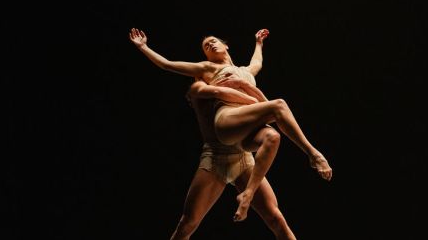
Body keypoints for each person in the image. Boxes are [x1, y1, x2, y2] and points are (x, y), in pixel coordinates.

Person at [134, 76, 326, 240]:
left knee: (275, 217)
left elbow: (270, 111)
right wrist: (241, 90)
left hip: (243, 158)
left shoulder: (233, 84)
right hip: (214, 160)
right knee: (187, 223)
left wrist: (246, 86)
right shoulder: (199, 87)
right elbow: (219, 92)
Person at [128, 28, 332, 221]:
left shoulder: (246, 71)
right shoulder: (208, 68)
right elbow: (167, 64)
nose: (210, 45)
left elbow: (257, 62)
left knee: (273, 133)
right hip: (229, 118)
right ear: (206, 56)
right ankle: (314, 154)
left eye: (213, 41)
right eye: (206, 46)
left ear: (226, 46)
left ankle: (248, 193)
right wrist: (143, 47)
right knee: (278, 105)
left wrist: (258, 43)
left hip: (246, 129)